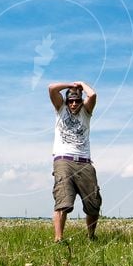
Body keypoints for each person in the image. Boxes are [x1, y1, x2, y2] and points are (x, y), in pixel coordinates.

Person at [48, 80, 102, 242]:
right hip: (63, 160)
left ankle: (91, 236)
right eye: (70, 100)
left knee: (93, 203)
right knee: (63, 200)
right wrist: (70, 84)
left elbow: (92, 94)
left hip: (84, 162)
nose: (73, 104)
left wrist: (81, 84)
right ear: (66, 101)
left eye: (77, 100)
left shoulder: (86, 112)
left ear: (81, 101)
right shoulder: (61, 109)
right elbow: (52, 88)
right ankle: (58, 239)